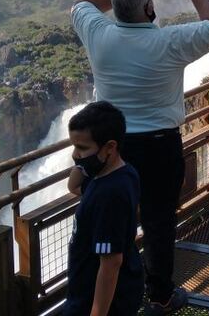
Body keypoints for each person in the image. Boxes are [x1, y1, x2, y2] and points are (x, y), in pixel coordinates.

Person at [72, 0, 209, 314]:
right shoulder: (170, 42)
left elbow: (81, 3)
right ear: (148, 7)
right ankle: (160, 295)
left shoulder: (99, 35)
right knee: (159, 222)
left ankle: (114, 295)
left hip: (113, 148)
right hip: (160, 146)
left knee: (115, 220)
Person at [63, 102, 144, 316]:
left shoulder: (110, 194)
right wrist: (83, 161)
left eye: (82, 148)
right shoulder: (116, 173)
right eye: (73, 146)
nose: (75, 154)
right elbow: (73, 187)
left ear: (110, 147)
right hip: (97, 292)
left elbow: (111, 263)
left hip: (100, 302)